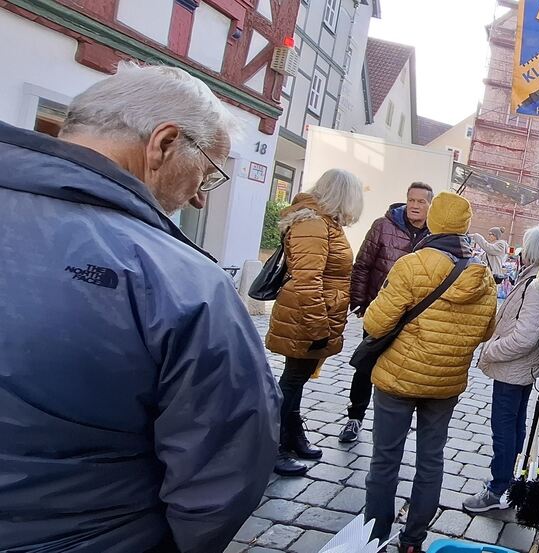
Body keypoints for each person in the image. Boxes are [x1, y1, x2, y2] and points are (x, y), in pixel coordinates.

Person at [0, 62, 279, 552]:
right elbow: (224, 468)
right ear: (164, 144)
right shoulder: (181, 279)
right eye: (207, 174)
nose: (196, 198)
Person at [363, 191, 498, 551]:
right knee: (431, 460)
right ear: (466, 227)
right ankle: (413, 541)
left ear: (435, 222)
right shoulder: (483, 278)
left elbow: (376, 324)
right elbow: (486, 331)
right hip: (445, 383)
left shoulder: (412, 264)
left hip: (397, 379)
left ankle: (374, 537)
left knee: (385, 459)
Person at [265, 168, 364, 477]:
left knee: (297, 378)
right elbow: (308, 280)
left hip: (312, 314)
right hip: (306, 317)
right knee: (292, 381)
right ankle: (273, 448)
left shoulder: (323, 222)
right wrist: (319, 328)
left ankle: (292, 437)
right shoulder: (314, 224)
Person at [463, 226, 539, 513]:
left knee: (503, 426)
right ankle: (507, 479)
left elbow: (526, 336)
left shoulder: (537, 284)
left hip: (512, 367)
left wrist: (492, 349)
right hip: (520, 369)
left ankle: (497, 488)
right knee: (514, 423)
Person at [342, 181, 434, 442]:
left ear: (430, 205)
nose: (415, 206)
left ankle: (398, 424)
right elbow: (362, 265)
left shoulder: (434, 233)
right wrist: (359, 301)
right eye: (411, 200)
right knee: (365, 366)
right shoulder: (383, 226)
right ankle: (355, 417)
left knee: (404, 369)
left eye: (421, 201)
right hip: (379, 310)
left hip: (413, 318)